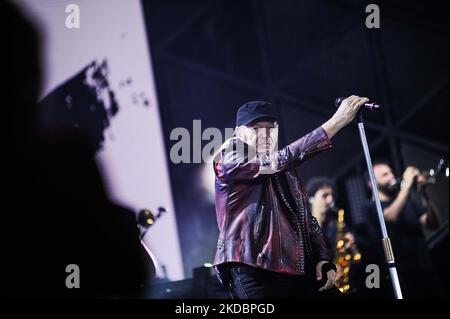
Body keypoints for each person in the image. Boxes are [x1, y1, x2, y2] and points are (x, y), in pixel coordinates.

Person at [213, 96, 369, 298]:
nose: (265, 134)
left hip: (297, 266)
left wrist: (321, 258)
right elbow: (277, 161)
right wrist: (336, 122)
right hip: (254, 268)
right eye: (256, 128)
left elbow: (305, 217)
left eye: (270, 128)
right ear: (238, 133)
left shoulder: (287, 169)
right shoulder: (229, 156)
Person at [357, 160, 440, 298]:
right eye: (385, 175)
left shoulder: (405, 199)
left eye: (391, 173)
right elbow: (390, 217)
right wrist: (407, 186)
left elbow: (432, 224)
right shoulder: (370, 207)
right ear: (371, 183)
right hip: (401, 277)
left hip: (426, 268)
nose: (392, 177)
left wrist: (424, 194)